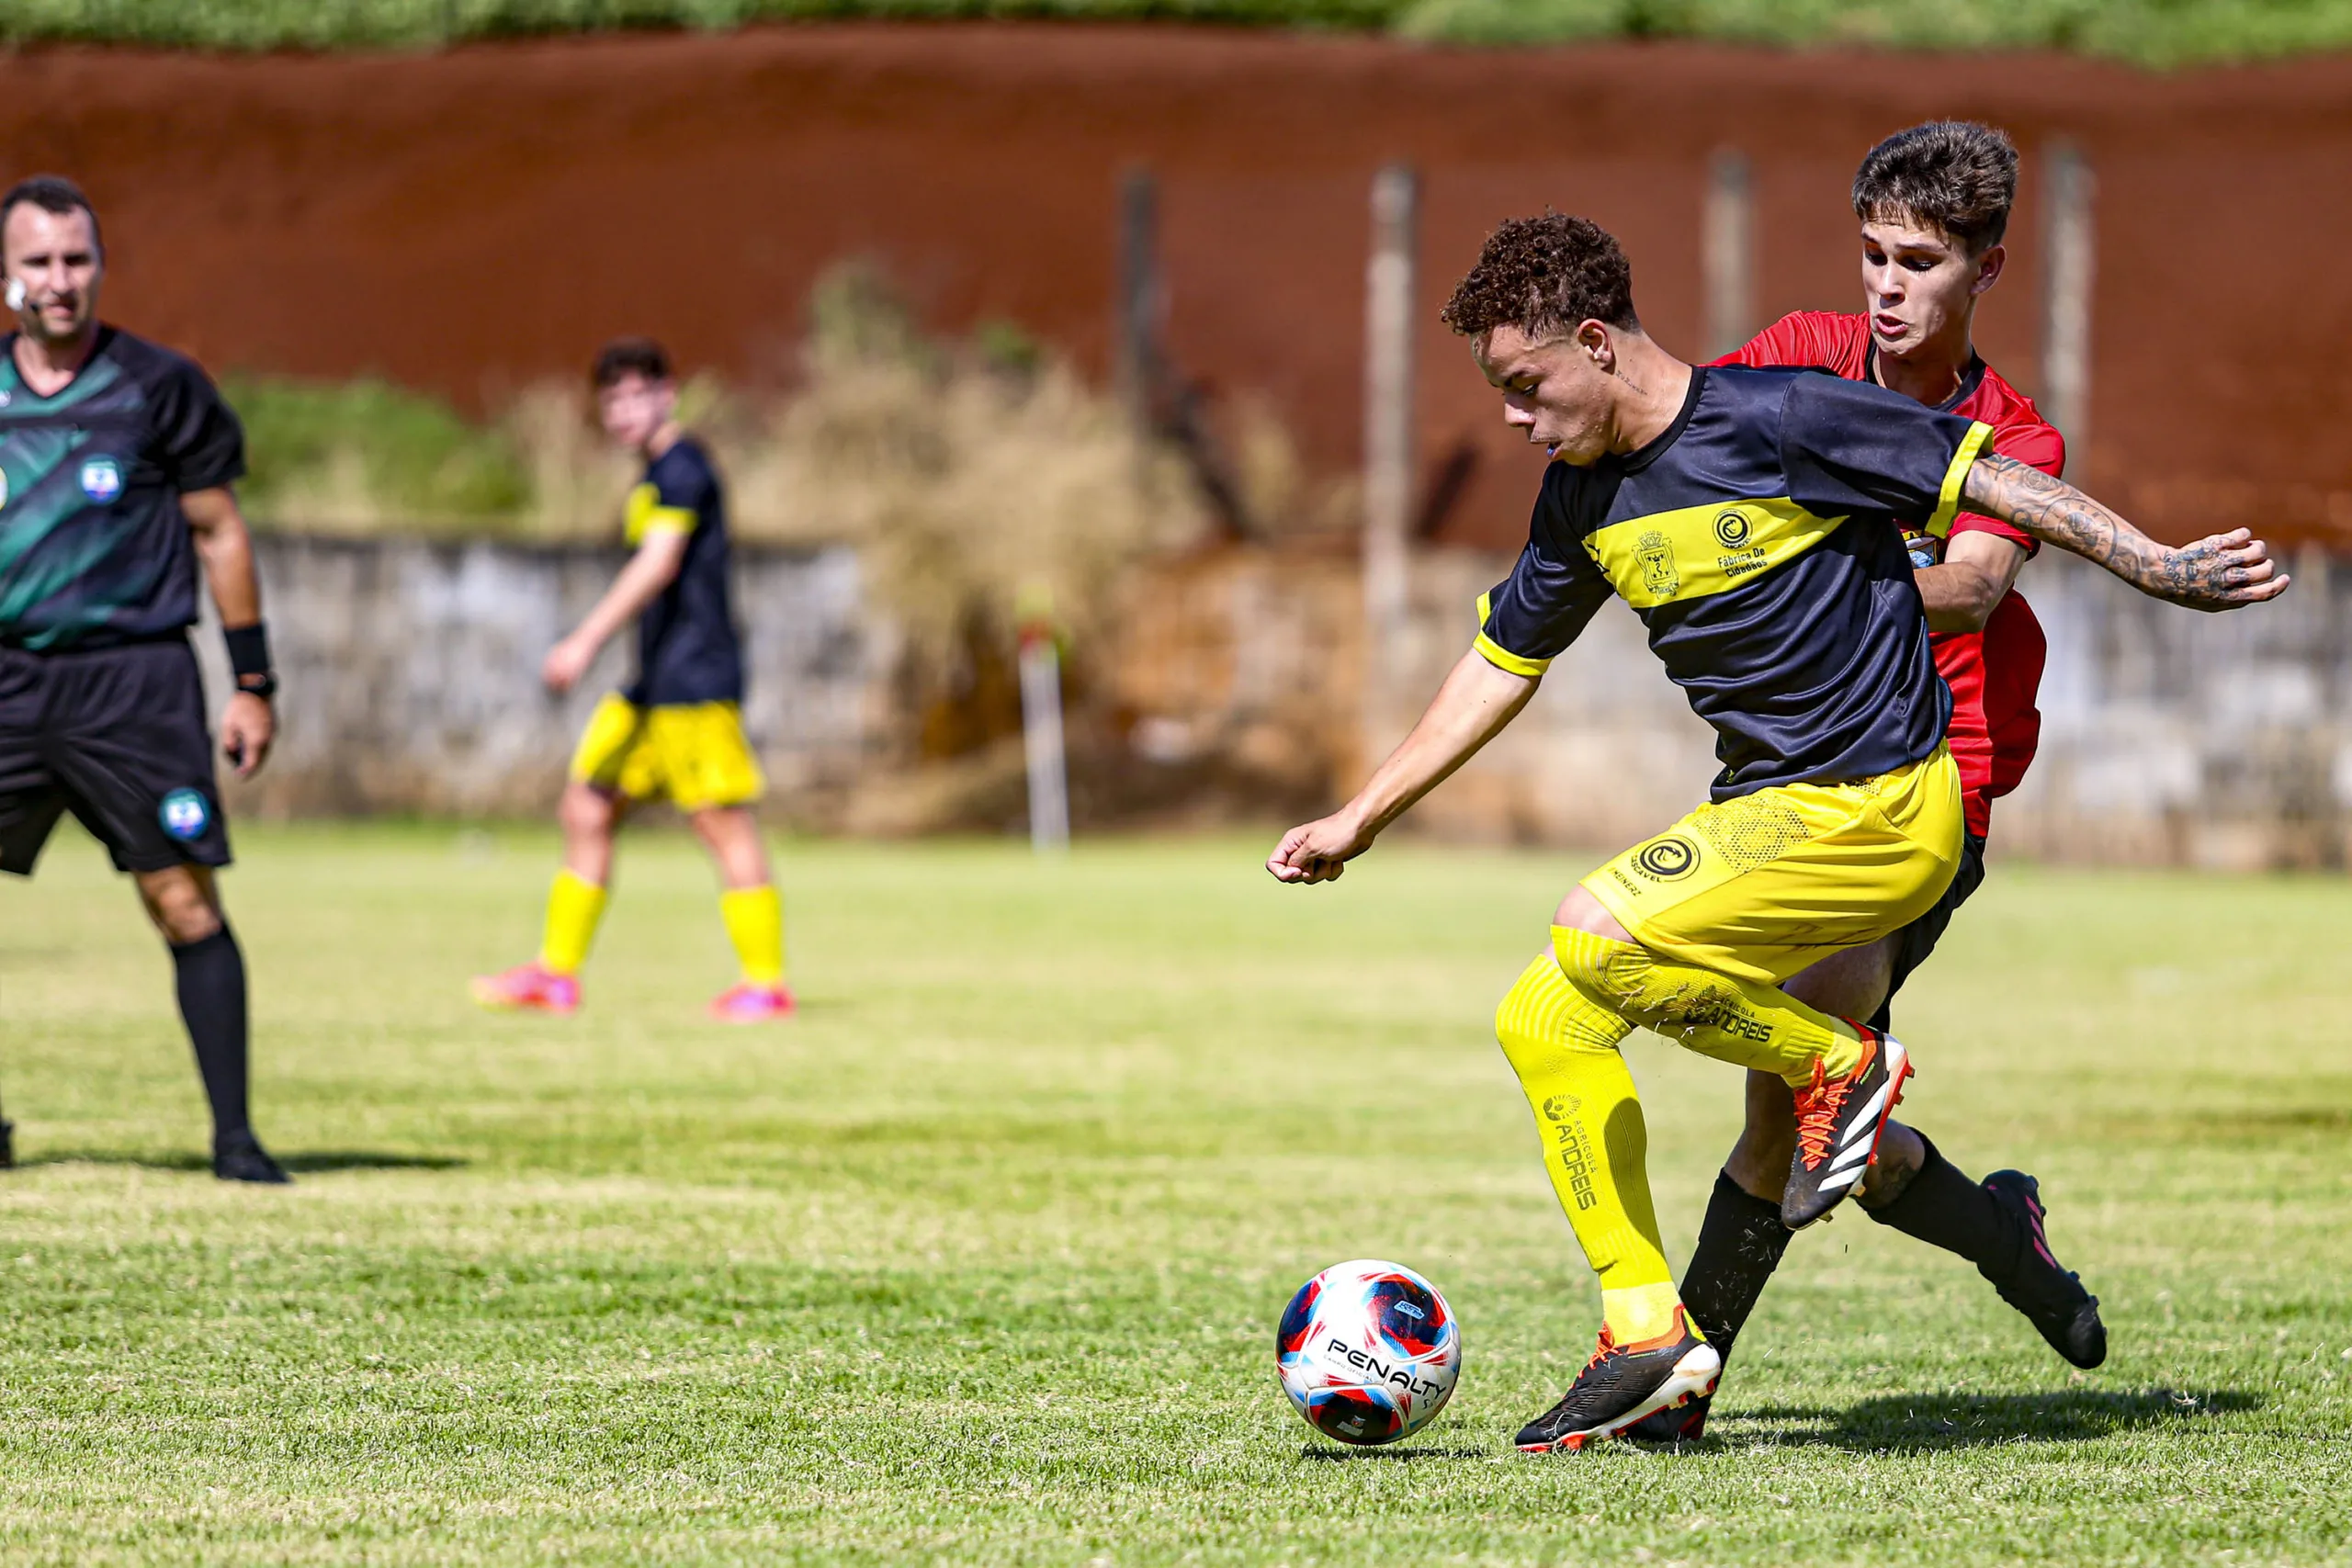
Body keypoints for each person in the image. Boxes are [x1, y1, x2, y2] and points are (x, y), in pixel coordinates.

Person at [1266, 211, 2285, 1452]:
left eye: (1525, 386)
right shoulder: (1581, 499)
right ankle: (1647, 1329)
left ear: (1595, 341)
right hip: (1770, 816)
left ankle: (1835, 1067)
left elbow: (1994, 479)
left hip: (1887, 804)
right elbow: (1501, 662)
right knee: (1543, 1014)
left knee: (1597, 932)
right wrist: (1360, 814)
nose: (1515, 418)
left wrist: (2162, 567)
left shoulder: (1785, 414)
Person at [1632, 120, 2098, 1445]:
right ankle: (1999, 1226)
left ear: (1987, 266)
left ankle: (1676, 1380)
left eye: (1923, 262)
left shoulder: (2018, 438)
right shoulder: (1794, 358)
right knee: (1830, 1104)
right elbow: (1682, 446)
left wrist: (1806, 578)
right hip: (1787, 764)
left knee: (1792, 1085)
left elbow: (1975, 586)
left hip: (1936, 774)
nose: (1889, 285)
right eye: (1874, 255)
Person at [0, 175, 286, 1182]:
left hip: (134, 684)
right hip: (6, 682)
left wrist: (252, 683)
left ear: (100, 267)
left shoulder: (159, 386)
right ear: (7, 276)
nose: (59, 280)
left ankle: (237, 1143)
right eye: (38, 261)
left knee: (182, 901)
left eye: (76, 259)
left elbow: (220, 532)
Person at [472, 338, 792, 1023]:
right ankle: (556, 974)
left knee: (719, 822)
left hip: (695, 681)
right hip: (649, 684)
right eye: (611, 400)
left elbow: (659, 564)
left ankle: (765, 984)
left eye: (635, 395)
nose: (622, 412)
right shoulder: (650, 474)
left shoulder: (683, 471)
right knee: (586, 806)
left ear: (668, 393)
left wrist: (584, 639)